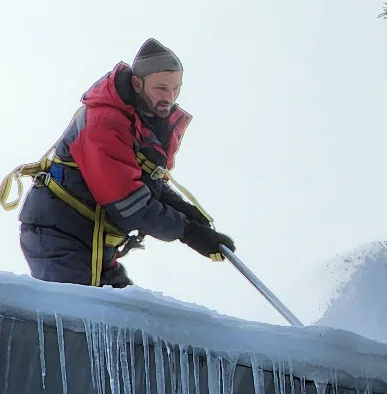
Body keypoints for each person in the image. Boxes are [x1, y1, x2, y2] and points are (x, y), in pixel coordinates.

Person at [14, 38, 235, 288]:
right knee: (78, 316)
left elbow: (147, 182)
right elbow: (130, 204)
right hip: (59, 237)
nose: (170, 98)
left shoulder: (145, 126)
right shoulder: (105, 123)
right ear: (137, 83)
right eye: (161, 88)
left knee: (129, 317)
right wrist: (189, 232)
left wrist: (187, 213)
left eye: (176, 89)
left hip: (96, 242)